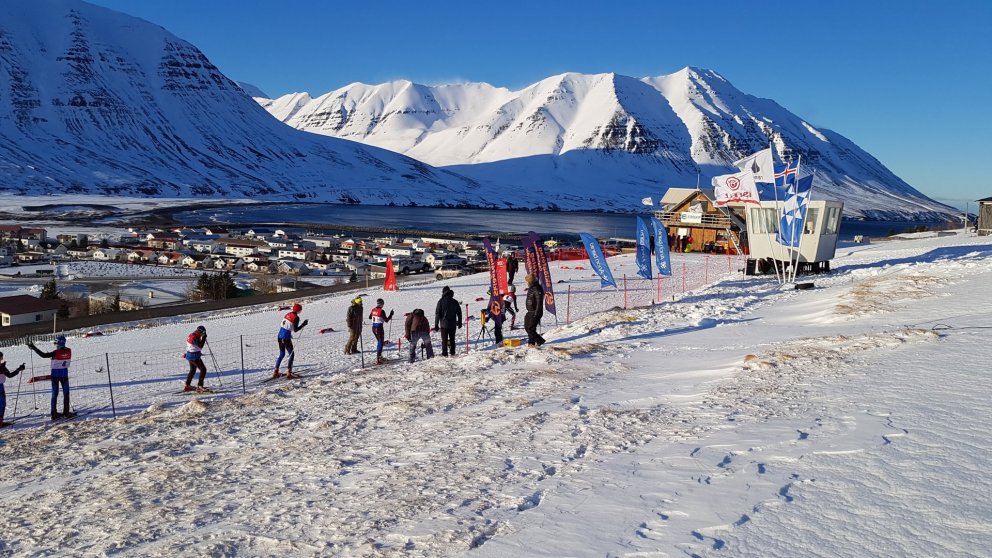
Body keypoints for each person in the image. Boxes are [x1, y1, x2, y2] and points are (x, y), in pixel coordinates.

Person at [28, 335, 75, 420]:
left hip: (55, 376)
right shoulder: (69, 350)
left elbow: (43, 355)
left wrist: (34, 348)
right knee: (66, 393)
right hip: (64, 375)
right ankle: (66, 412)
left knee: (54, 394)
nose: (55, 345)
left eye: (56, 343)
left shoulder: (55, 352)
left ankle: (54, 413)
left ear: (60, 343)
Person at [275, 303, 308, 379]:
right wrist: (303, 324)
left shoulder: (288, 314)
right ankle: (289, 373)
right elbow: (295, 330)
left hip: (279, 336)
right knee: (291, 355)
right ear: (299, 310)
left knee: (282, 354)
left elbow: (289, 326)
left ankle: (276, 371)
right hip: (286, 338)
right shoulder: (296, 317)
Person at [434, 286, 462, 357]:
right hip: (453, 324)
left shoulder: (440, 301)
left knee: (444, 340)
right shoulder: (455, 301)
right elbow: (459, 312)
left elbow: (437, 313)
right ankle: (452, 352)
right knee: (452, 339)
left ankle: (444, 353)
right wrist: (459, 322)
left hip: (444, 325)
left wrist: (436, 324)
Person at [0, 352, 26, 427]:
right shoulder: (2, 366)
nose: (2, 359)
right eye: (1, 357)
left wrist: (19, 369)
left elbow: (10, 375)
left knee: (2, 404)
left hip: (1, 386)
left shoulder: (2, 366)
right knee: (2, 404)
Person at [369, 298, 394, 364]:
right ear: (382, 304)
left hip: (374, 328)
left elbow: (370, 317)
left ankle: (379, 356)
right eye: (383, 304)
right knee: (380, 343)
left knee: (379, 342)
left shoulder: (373, 310)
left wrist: (376, 317)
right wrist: (391, 314)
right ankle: (378, 359)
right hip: (379, 328)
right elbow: (386, 320)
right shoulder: (381, 311)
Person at [184, 325, 209, 392]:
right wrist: (203, 338)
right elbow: (200, 346)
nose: (203, 334)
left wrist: (202, 337)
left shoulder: (193, 335)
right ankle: (200, 386)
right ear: (200, 332)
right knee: (203, 370)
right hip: (194, 357)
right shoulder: (194, 337)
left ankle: (187, 386)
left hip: (190, 355)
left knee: (192, 370)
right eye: (203, 333)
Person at [524, 274, 546, 347]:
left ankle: (531, 343)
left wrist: (536, 313)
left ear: (530, 281)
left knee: (531, 328)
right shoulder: (532, 287)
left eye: (527, 281)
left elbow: (539, 302)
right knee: (527, 327)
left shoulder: (537, 288)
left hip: (535, 312)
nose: (526, 283)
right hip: (530, 311)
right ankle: (540, 340)